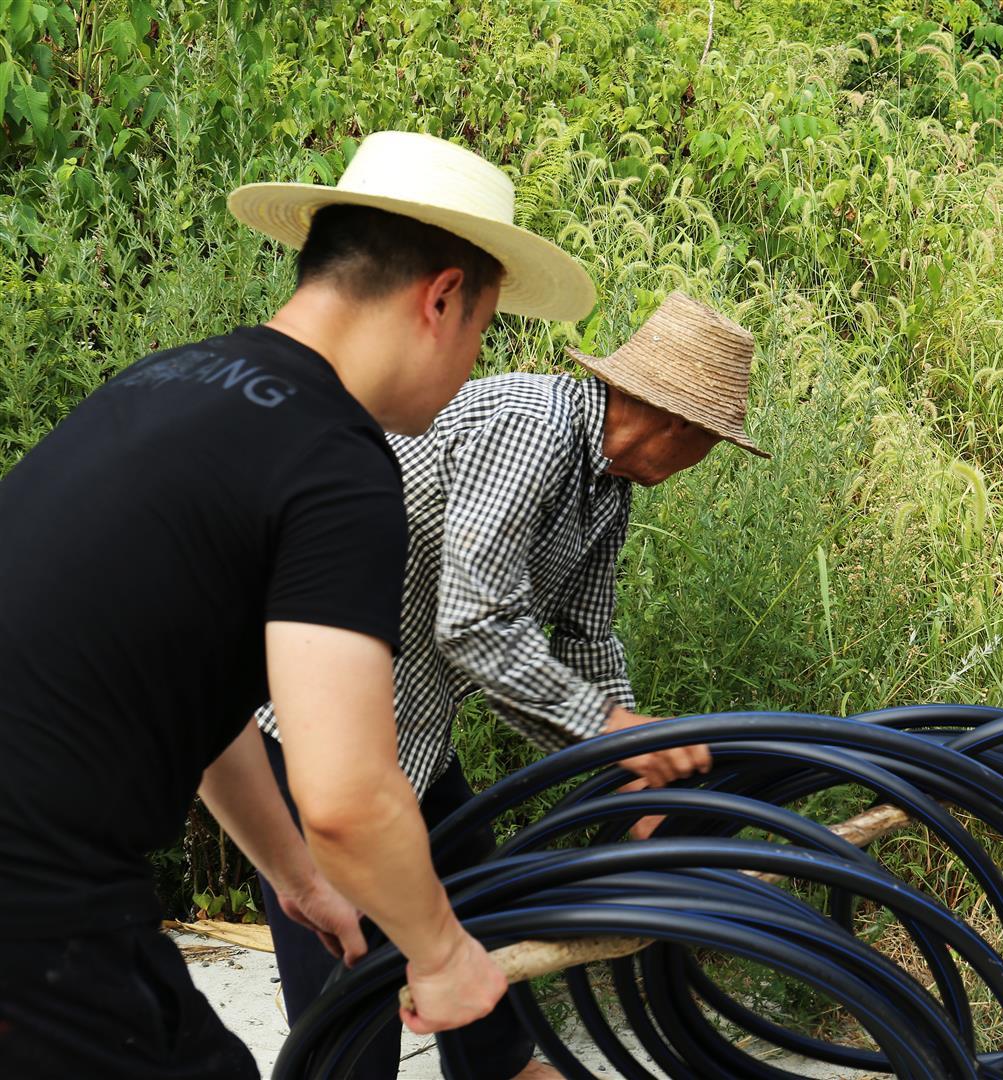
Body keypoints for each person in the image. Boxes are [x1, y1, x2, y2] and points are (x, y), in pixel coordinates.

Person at [0, 130, 596, 1077]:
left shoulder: (161, 384)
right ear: (440, 298)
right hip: (35, 904)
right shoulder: (336, 463)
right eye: (485, 330)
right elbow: (351, 797)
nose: (475, 366)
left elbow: (199, 703)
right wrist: (443, 954)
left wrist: (295, 877)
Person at [253, 291, 766, 1079]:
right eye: (709, 442)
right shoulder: (531, 427)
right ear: (674, 422)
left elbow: (588, 635)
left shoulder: (606, 487)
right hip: (312, 725)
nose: (704, 459)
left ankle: (503, 1068)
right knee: (348, 969)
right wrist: (609, 734)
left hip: (404, 728)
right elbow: (476, 624)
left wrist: (639, 767)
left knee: (474, 895)